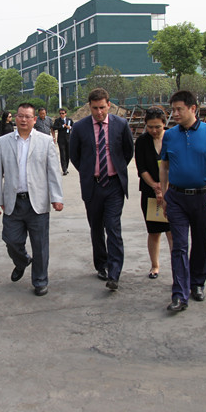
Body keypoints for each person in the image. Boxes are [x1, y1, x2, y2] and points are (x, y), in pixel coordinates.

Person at [159, 90, 206, 312]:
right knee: (179, 246)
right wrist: (165, 194)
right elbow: (164, 167)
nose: (175, 114)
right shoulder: (169, 135)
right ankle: (179, 294)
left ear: (193, 108)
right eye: (173, 110)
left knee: (200, 243)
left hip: (203, 197)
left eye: (179, 109)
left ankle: (197, 283)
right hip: (176, 198)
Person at [0, 103, 64, 296]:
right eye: (20, 116)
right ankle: (22, 260)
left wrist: (56, 197)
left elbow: (53, 172)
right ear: (15, 118)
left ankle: (40, 281)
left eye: (28, 117)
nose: (23, 120)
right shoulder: (3, 142)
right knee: (11, 240)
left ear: (34, 120)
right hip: (13, 202)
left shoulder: (45, 141)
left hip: (37, 202)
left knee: (40, 245)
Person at [69, 88, 134, 291]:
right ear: (90, 106)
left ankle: (114, 273)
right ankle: (102, 265)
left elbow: (127, 151)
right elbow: (74, 155)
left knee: (113, 227)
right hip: (93, 186)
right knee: (96, 228)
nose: (99, 112)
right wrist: (89, 172)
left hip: (114, 185)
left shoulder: (121, 124)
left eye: (103, 108)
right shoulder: (80, 127)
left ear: (109, 105)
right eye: (95, 108)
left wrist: (115, 169)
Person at [134, 108, 173, 280]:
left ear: (164, 123)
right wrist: (156, 187)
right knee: (154, 231)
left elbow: (177, 165)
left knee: (172, 232)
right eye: (150, 127)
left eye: (158, 126)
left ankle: (177, 268)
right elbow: (141, 168)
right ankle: (155, 266)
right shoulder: (142, 141)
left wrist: (166, 188)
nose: (154, 130)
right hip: (150, 192)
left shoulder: (173, 138)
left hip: (172, 191)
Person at [51, 108, 73, 175]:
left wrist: (70, 127)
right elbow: (54, 127)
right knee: (62, 154)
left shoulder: (69, 120)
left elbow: (74, 126)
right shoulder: (57, 120)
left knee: (68, 154)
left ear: (65, 114)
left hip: (68, 139)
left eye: (63, 113)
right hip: (61, 140)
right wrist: (62, 126)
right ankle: (64, 169)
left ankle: (66, 167)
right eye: (60, 113)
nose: (61, 115)